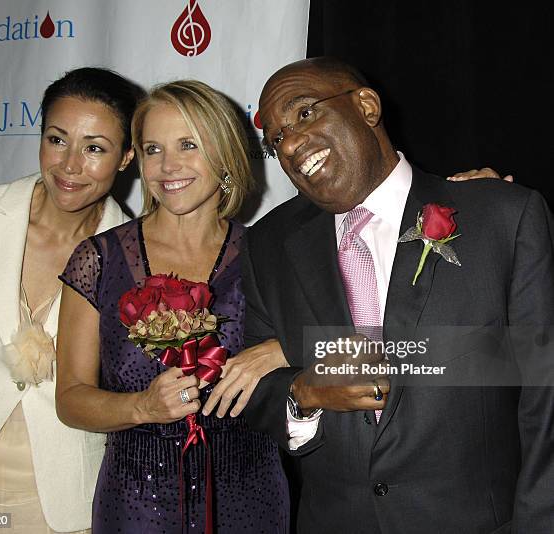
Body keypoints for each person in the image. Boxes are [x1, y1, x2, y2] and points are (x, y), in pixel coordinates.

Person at [240, 57, 554, 533]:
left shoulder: (500, 217)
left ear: (366, 106)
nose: (291, 145)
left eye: (304, 114)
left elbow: (544, 397)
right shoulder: (268, 244)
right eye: (276, 139)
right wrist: (302, 392)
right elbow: (259, 389)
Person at [55, 80, 290, 533]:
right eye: (152, 149)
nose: (168, 166)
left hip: (249, 495)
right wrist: (143, 406)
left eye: (188, 145)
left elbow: (347, 347)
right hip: (136, 501)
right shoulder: (99, 258)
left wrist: (280, 349)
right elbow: (70, 399)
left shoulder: (270, 254)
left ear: (225, 155)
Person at [0, 67, 144, 533]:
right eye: (57, 139)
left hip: (66, 499)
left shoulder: (133, 257)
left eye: (95, 148)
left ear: (127, 157)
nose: (70, 165)